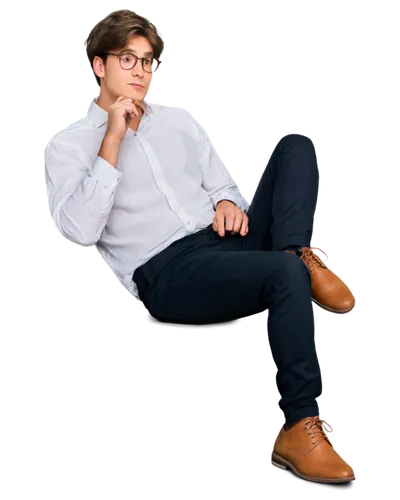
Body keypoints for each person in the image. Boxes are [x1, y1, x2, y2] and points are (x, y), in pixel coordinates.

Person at [42, 8, 358, 484]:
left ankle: (298, 253)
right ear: (99, 66)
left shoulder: (177, 120)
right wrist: (112, 137)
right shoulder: (67, 145)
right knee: (283, 276)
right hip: (166, 271)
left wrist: (229, 201)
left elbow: (221, 180)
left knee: (294, 145)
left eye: (148, 63)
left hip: (222, 241)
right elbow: (81, 229)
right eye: (128, 59)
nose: (142, 72)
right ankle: (298, 426)